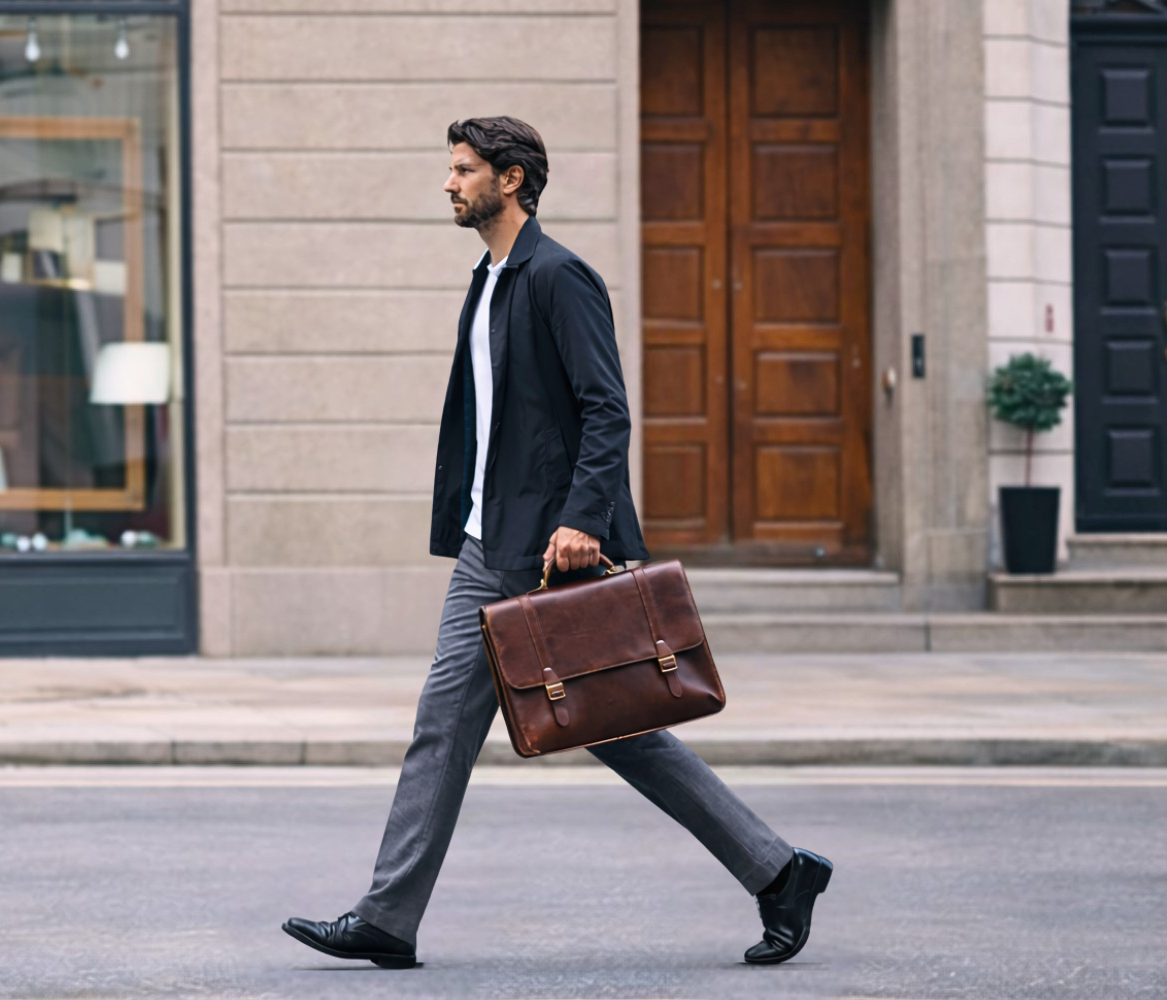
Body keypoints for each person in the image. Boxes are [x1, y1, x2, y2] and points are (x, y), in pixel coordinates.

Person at [280, 116, 833, 969]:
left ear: (511, 179)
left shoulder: (557, 275)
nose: (449, 183)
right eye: (451, 169)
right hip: (488, 544)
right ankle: (389, 918)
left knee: (618, 724)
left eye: (463, 170)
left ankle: (780, 871)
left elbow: (606, 408)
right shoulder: (488, 279)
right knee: (450, 726)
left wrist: (582, 520)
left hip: (547, 548)